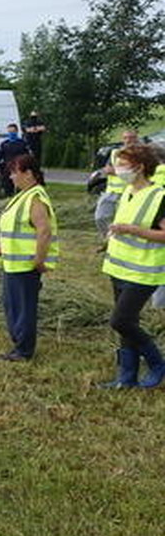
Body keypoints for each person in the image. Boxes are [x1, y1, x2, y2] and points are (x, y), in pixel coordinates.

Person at [98, 144, 165, 388]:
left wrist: (132, 230)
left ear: (140, 167)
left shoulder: (159, 196)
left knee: (120, 320)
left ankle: (158, 363)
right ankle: (126, 379)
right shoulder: (128, 191)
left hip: (143, 271)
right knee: (128, 325)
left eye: (124, 164)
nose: (119, 169)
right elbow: (122, 223)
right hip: (118, 267)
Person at [0, 154, 58, 361]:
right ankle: (19, 346)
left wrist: (39, 260)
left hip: (25, 266)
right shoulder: (23, 196)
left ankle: (24, 350)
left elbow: (43, 231)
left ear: (29, 174)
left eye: (14, 172)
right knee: (13, 307)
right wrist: (2, 248)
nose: (11, 177)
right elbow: (19, 230)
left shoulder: (35, 197)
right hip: (12, 263)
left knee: (23, 309)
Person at [95, 130, 139, 244]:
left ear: (137, 138)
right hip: (111, 191)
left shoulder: (141, 154)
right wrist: (124, 171)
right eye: (126, 138)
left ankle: (117, 242)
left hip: (130, 193)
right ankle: (108, 239)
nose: (128, 141)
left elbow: (137, 172)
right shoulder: (115, 152)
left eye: (131, 138)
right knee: (100, 217)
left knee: (123, 221)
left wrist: (117, 171)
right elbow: (107, 169)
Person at [0, 123, 31, 197]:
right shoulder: (4, 144)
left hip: (20, 167)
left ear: (17, 131)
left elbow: (27, 156)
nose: (11, 133)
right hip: (7, 168)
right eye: (9, 132)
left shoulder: (22, 143)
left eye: (13, 131)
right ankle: (9, 197)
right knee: (7, 186)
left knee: (20, 186)